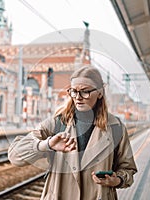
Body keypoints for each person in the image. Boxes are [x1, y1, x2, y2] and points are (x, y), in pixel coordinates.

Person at [8, 65, 137, 200]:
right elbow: (15, 156)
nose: (78, 97)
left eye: (85, 91)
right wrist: (47, 145)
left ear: (100, 93)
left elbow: (128, 169)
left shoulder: (116, 127)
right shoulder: (57, 123)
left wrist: (116, 180)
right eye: (73, 91)